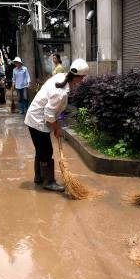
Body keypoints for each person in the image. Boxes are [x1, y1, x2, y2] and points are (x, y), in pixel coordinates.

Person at [24, 58, 89, 192]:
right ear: (80, 78)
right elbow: (48, 114)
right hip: (38, 120)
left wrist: (57, 123)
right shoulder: (60, 92)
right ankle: (48, 182)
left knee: (41, 150)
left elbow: (52, 111)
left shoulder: (61, 77)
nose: (81, 81)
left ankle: (39, 177)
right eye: (82, 78)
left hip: (35, 117)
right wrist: (57, 128)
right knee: (47, 151)